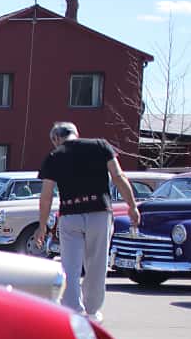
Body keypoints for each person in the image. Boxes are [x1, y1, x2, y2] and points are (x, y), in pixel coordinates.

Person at [39, 121, 139, 321]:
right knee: (97, 264)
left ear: (56, 139)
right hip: (99, 212)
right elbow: (118, 177)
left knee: (70, 266)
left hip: (69, 214)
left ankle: (72, 309)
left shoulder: (54, 156)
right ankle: (92, 311)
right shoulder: (101, 146)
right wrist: (132, 206)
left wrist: (42, 225)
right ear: (76, 133)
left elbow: (47, 195)